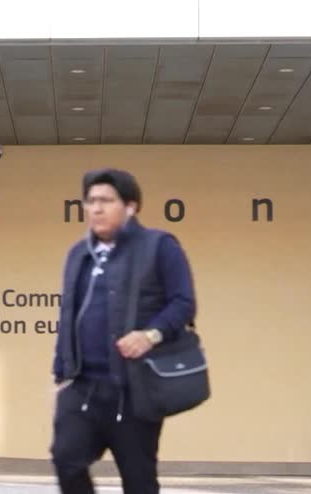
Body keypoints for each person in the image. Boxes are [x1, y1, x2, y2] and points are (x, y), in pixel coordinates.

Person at [50, 168, 197, 494]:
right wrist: (60, 374)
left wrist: (150, 335)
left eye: (106, 201)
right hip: (83, 387)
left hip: (134, 390)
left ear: (131, 206)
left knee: (139, 480)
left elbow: (183, 303)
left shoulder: (159, 246)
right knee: (66, 459)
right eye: (90, 201)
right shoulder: (78, 254)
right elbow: (69, 315)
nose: (96, 208)